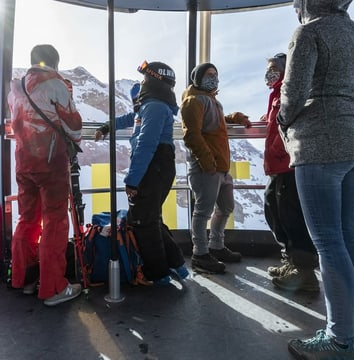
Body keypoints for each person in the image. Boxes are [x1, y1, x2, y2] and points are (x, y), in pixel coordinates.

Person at [277, 0, 354, 358]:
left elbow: (293, 93)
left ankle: (339, 340)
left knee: (327, 241)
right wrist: (352, 113)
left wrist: (284, 121)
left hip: (319, 144)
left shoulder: (309, 33)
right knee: (347, 234)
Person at [7, 44, 83, 305]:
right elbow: (73, 125)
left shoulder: (15, 88)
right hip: (50, 164)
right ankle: (52, 288)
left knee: (27, 219)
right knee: (54, 222)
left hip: (23, 163)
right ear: (55, 62)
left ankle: (24, 279)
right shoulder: (56, 84)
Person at [180, 62, 252, 274]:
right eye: (209, 75)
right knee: (203, 212)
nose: (214, 78)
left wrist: (237, 117)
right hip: (207, 168)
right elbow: (192, 136)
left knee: (226, 207)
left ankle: (216, 246)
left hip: (220, 168)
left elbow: (219, 121)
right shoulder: (193, 101)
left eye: (216, 75)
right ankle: (200, 254)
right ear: (198, 78)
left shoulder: (211, 101)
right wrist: (208, 163)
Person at [123, 61, 188, 284]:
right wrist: (106, 127)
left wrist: (132, 180)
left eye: (144, 80)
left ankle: (157, 274)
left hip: (153, 167)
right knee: (152, 218)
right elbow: (129, 118)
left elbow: (146, 145)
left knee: (142, 221)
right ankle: (177, 264)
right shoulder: (154, 106)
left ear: (152, 80)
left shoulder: (154, 107)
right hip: (161, 166)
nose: (142, 84)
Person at [260, 53, 319, 292]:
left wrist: (278, 148)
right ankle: (292, 261)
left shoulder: (291, 90)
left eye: (274, 68)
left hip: (289, 163)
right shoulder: (277, 93)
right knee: (273, 208)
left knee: (291, 216)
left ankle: (304, 273)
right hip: (280, 164)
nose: (269, 72)